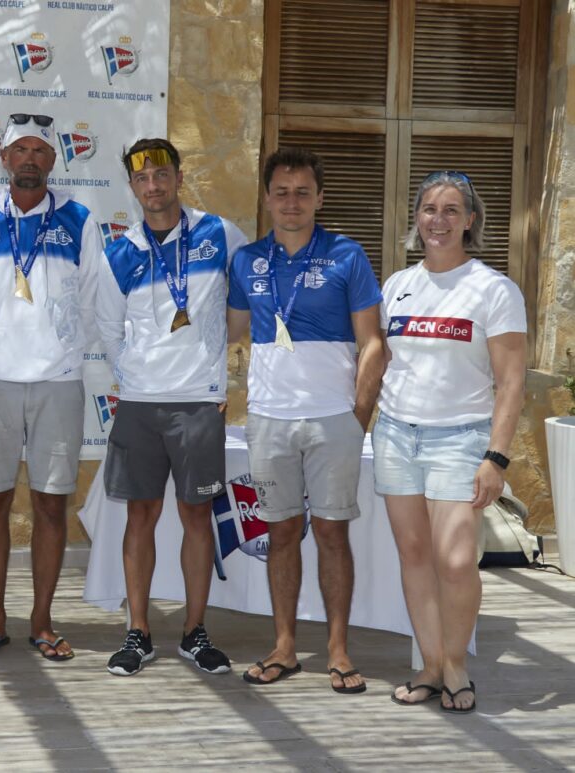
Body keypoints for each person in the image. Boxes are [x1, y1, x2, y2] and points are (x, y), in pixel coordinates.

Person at [227, 147, 384, 693]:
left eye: (302, 192)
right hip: (269, 422)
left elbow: (373, 344)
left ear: (319, 198)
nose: (291, 202)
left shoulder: (346, 255)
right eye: (281, 192)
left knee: (334, 535)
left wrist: (356, 418)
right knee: (282, 531)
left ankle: (338, 650)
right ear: (266, 198)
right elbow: (230, 333)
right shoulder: (246, 260)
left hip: (332, 422)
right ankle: (285, 646)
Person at [374, 171, 525, 713]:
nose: (438, 220)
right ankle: (432, 666)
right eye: (429, 209)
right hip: (395, 435)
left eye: (451, 210)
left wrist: (496, 457)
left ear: (470, 221)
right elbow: (383, 362)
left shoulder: (493, 289)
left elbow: (511, 383)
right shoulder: (396, 285)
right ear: (417, 217)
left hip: (461, 440)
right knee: (415, 556)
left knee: (456, 560)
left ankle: (457, 664)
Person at [97, 138, 248, 677]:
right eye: (142, 178)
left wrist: (213, 365)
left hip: (199, 404)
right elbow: (110, 329)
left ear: (179, 178)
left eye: (162, 174)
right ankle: (137, 632)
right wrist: (135, 375)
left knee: (196, 516)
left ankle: (194, 631)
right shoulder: (120, 251)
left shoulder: (220, 234)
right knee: (140, 516)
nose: (153, 186)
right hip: (140, 404)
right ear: (133, 187)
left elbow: (242, 305)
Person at [0, 113, 100, 660]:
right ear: (4, 159)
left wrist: (55, 352)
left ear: (54, 162)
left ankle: (41, 620)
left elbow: (89, 301)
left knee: (51, 506)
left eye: (41, 150)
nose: (30, 159)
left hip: (58, 384)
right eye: (21, 151)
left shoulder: (80, 220)